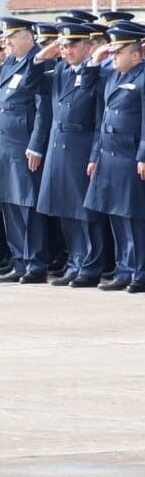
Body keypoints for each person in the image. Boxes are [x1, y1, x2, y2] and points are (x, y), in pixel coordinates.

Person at [0, 17, 53, 283]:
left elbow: (44, 108)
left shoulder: (38, 61)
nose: (6, 41)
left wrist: (36, 145)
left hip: (23, 142)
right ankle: (19, 260)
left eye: (11, 36)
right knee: (9, 202)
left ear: (28, 37)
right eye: (5, 37)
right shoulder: (11, 61)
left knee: (27, 204)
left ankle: (34, 262)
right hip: (2, 142)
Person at [36, 23, 107, 288]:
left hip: (81, 146)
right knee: (65, 210)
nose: (67, 51)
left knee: (84, 213)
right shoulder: (61, 70)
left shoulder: (96, 73)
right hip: (58, 145)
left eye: (73, 46)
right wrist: (43, 55)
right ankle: (75, 262)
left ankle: (91, 266)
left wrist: (94, 154)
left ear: (88, 46)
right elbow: (34, 83)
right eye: (64, 46)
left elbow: (98, 116)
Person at [84, 21, 145, 293]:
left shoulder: (141, 77)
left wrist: (143, 155)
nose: (113, 57)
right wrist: (95, 155)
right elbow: (96, 107)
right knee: (116, 215)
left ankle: (140, 272)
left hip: (129, 154)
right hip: (108, 154)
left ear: (135, 53)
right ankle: (124, 269)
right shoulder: (114, 77)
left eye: (117, 52)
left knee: (134, 217)